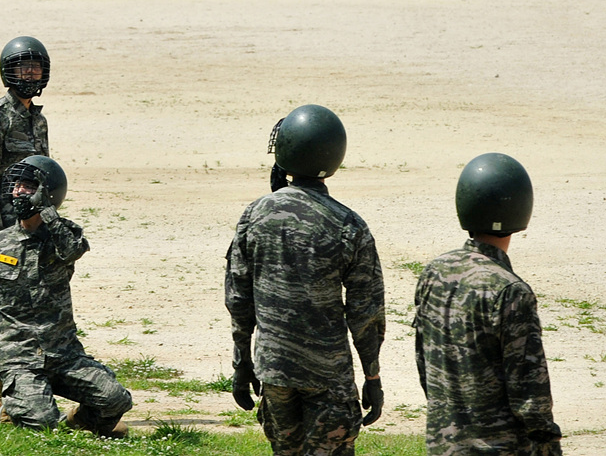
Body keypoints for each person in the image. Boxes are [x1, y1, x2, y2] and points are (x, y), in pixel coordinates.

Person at [225, 104, 386, 456]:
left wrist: (242, 364)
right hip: (327, 375)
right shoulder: (349, 225)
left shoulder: (254, 215)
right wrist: (372, 376)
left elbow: (238, 299)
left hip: (275, 371)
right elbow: (366, 313)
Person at [0, 155, 131, 438]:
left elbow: (71, 251)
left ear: (48, 193)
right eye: (16, 185)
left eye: (28, 186)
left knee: (116, 399)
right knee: (41, 421)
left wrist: (47, 211)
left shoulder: (65, 235)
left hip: (64, 355)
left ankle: (76, 421)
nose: (18, 191)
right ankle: (14, 402)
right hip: (19, 357)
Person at [413, 152, 562, 456]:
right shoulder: (510, 290)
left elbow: (424, 363)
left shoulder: (434, 273)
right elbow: (530, 394)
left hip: (443, 445)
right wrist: (548, 445)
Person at [0, 36, 51, 237]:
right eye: (23, 68)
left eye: (35, 68)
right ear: (10, 72)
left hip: (33, 216)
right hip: (2, 219)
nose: (30, 74)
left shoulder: (38, 120)